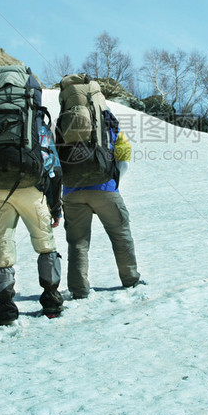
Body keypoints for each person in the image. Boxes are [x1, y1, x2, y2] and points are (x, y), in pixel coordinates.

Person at [0, 120, 63, 326]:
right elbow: (53, 166)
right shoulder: (37, 121)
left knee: (2, 243)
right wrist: (55, 208)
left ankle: (5, 306)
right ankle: (51, 298)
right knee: (44, 243)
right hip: (32, 188)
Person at [58, 106, 143, 300]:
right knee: (121, 234)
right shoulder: (108, 123)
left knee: (78, 242)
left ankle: (79, 290)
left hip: (72, 192)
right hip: (105, 189)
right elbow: (125, 158)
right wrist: (113, 183)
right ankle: (131, 279)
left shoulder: (64, 123)